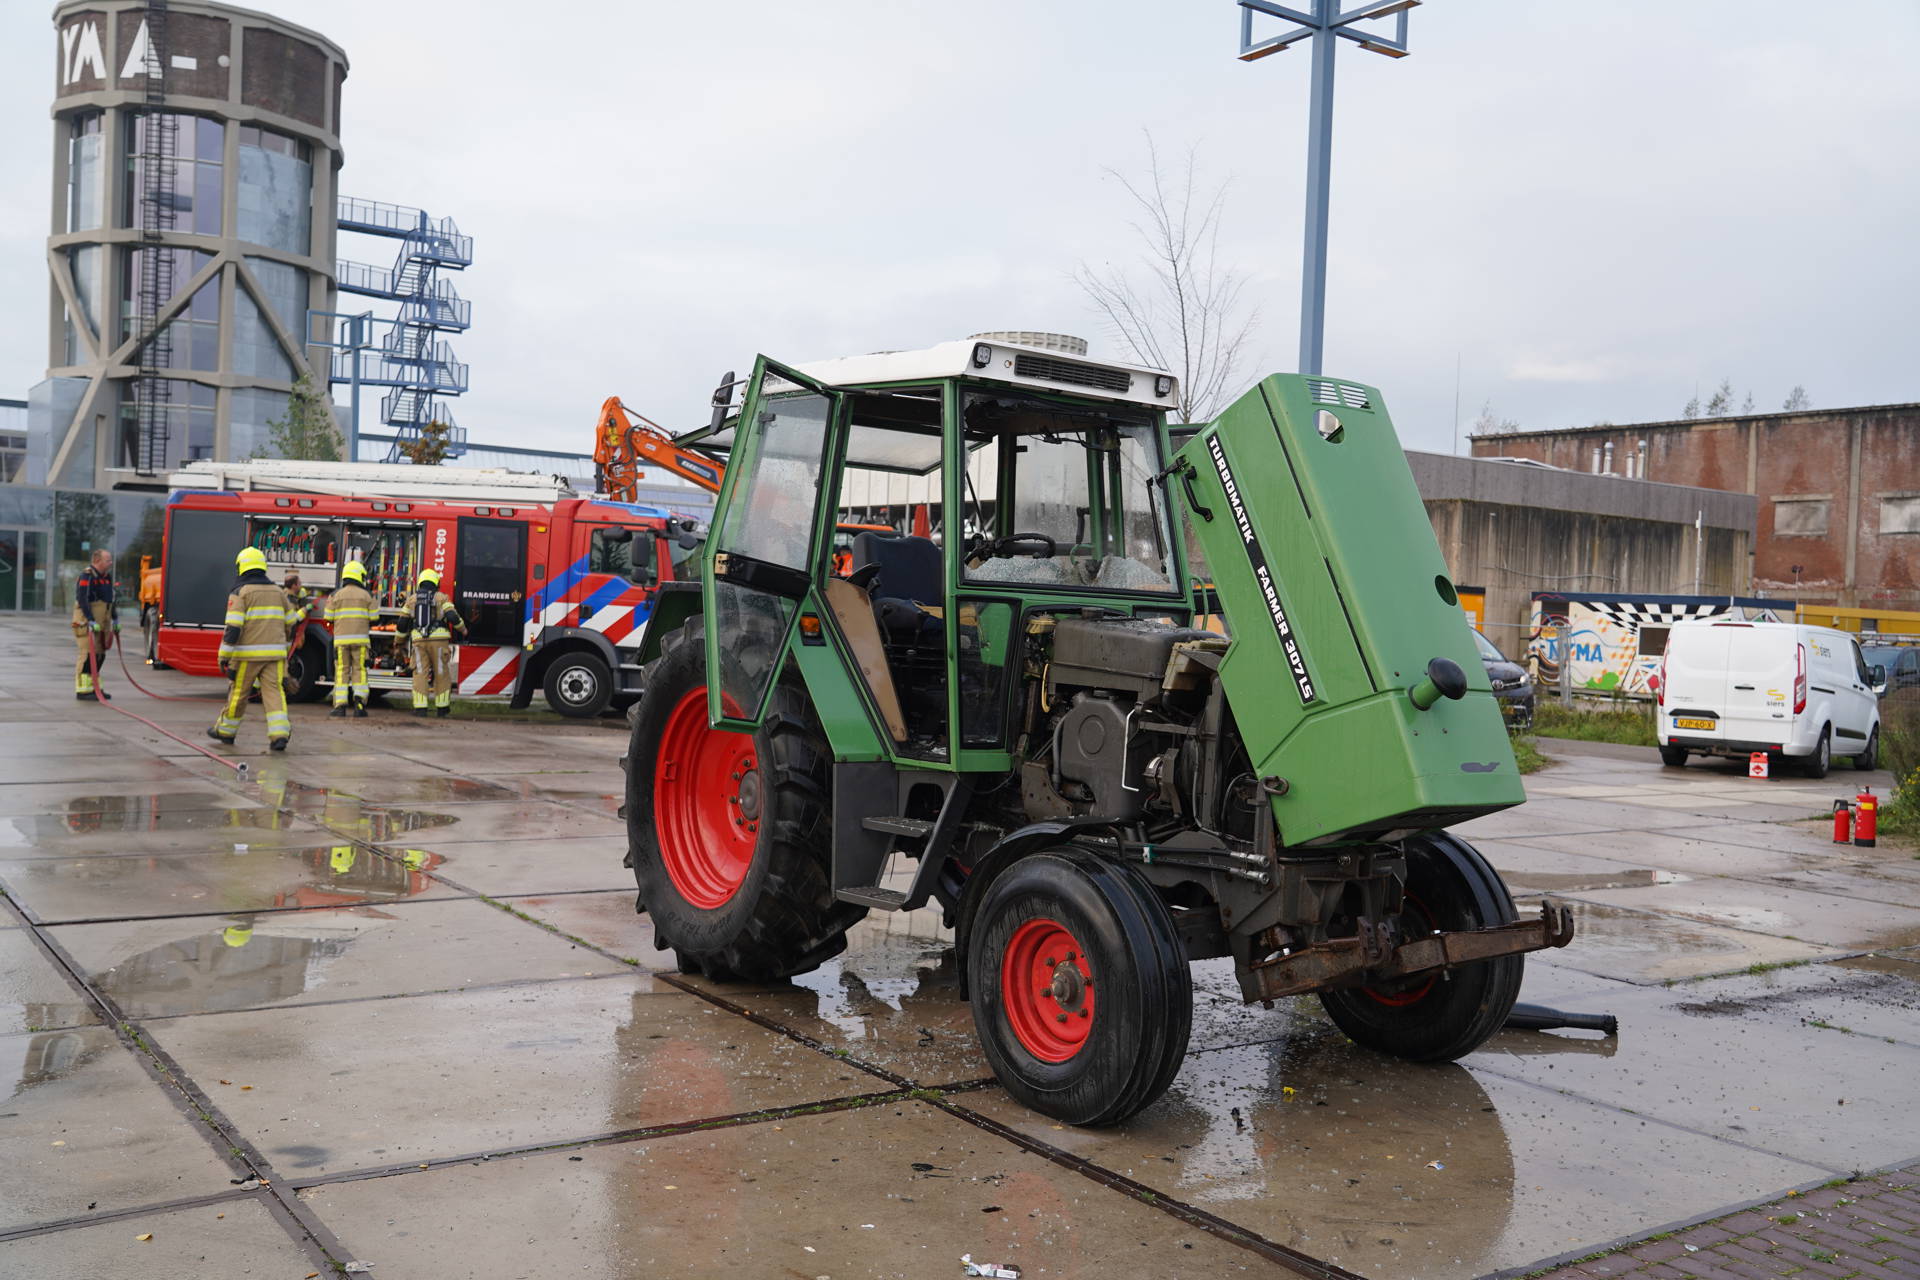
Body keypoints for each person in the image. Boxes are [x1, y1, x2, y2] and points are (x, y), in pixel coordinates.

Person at [209, 546, 300, 751]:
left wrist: (224, 656)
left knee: (239, 693)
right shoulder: (279, 592)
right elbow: (291, 623)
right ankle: (279, 735)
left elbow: (233, 628)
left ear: (242, 567)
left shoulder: (240, 593)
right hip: (275, 656)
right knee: (274, 693)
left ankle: (226, 731)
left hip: (247, 656)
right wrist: (284, 648)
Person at [409, 567, 465, 717]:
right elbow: (453, 617)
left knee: (420, 673)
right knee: (441, 673)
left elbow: (402, 623)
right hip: (439, 642)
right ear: (436, 582)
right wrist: (463, 630)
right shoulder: (442, 597)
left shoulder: (412, 599)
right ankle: (442, 709)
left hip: (419, 642)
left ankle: (420, 709)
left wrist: (398, 640)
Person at [325, 559, 375, 718]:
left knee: (341, 671)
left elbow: (328, 617)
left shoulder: (335, 595)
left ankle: (340, 706)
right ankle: (359, 705)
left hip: (341, 643)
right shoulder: (367, 595)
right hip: (360, 642)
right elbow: (375, 618)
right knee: (359, 671)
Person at [71, 549, 118, 701]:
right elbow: (83, 599)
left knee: (99, 655)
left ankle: (95, 688)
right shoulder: (87, 576)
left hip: (103, 621)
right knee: (87, 654)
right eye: (108, 560)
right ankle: (83, 690)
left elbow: (110, 600)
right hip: (87, 622)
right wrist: (90, 620)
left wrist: (115, 619)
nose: (110, 563)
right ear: (98, 560)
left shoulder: (106, 577)